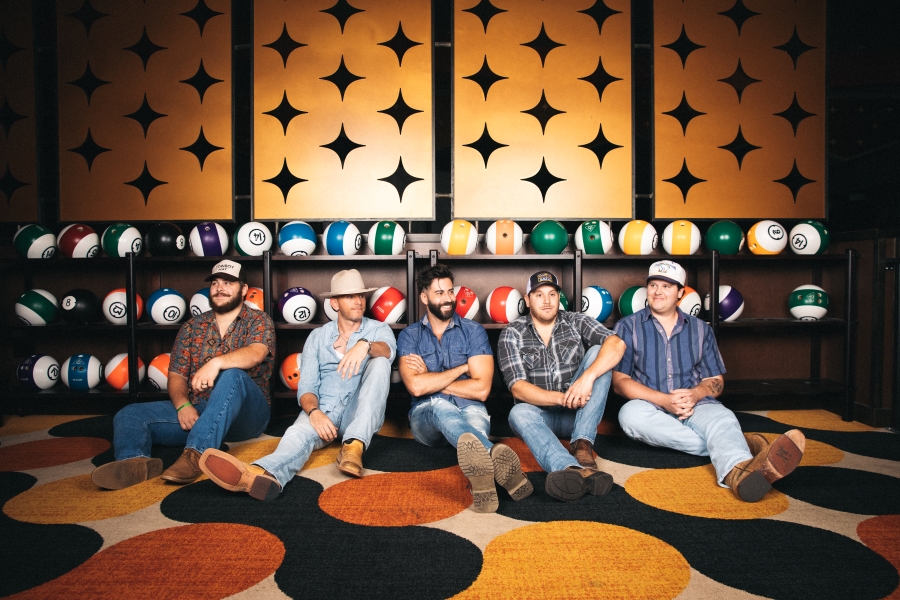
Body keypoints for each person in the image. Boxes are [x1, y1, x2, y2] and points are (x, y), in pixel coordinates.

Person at [612, 260, 806, 502]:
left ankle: (737, 473)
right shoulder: (627, 327)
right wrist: (664, 400)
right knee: (629, 416)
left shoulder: (701, 329)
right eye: (653, 285)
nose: (658, 292)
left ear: (681, 293)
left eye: (666, 286)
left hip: (696, 404)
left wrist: (695, 394)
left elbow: (715, 381)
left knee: (723, 418)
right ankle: (735, 444)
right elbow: (620, 382)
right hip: (650, 404)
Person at [198, 269, 395, 501]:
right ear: (334, 303)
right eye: (349, 296)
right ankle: (259, 474)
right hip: (324, 410)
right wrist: (314, 413)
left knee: (380, 363)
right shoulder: (317, 337)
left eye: (361, 296)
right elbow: (307, 387)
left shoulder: (378, 330)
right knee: (295, 435)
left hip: (359, 414)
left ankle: (353, 447)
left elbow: (388, 351)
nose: (358, 301)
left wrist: (365, 345)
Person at [92, 260, 275, 490]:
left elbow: (257, 353)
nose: (220, 288)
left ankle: (195, 455)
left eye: (228, 283)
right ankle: (134, 463)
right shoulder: (192, 327)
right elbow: (177, 374)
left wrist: (217, 362)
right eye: (215, 283)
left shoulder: (259, 320)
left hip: (247, 417)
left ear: (244, 289)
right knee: (130, 414)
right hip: (201, 410)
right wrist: (182, 405)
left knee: (233, 375)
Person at [398, 264, 532, 513]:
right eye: (439, 293)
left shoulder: (473, 332)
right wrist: (462, 369)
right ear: (424, 297)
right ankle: (493, 455)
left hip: (471, 408)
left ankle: (482, 484)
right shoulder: (410, 336)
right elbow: (416, 388)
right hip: (425, 418)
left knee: (473, 429)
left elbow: (481, 390)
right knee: (439, 406)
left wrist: (432, 378)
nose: (449, 299)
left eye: (450, 292)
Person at [498, 271, 626, 502]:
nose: (546, 301)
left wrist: (587, 379)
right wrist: (561, 397)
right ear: (527, 300)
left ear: (559, 298)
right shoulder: (512, 333)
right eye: (538, 295)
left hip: (579, 416)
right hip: (539, 418)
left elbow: (617, 343)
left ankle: (582, 445)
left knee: (601, 352)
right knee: (518, 412)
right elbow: (517, 388)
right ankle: (570, 469)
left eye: (552, 294)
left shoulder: (576, 320)